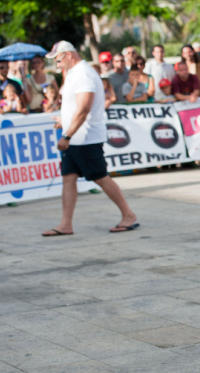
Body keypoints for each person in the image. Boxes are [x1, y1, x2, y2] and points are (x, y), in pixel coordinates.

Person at [42, 41, 139, 236]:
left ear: (68, 55)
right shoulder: (73, 74)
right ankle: (65, 224)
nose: (58, 65)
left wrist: (67, 135)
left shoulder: (84, 74)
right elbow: (76, 107)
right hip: (76, 136)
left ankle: (129, 215)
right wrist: (65, 120)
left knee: (100, 177)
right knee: (68, 178)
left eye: (59, 60)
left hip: (85, 137)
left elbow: (85, 109)